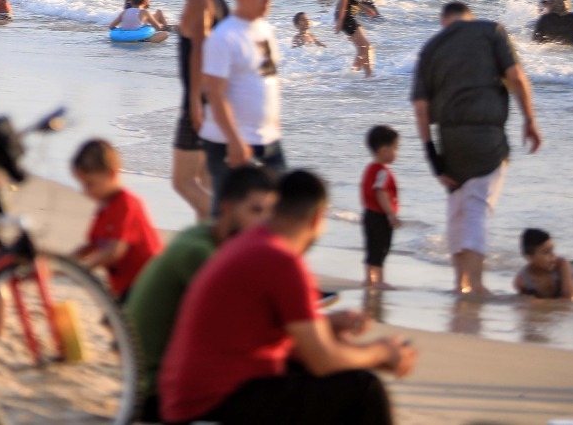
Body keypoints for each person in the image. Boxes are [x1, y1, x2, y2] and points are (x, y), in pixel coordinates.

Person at [157, 170, 415, 425]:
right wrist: (382, 352)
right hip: (214, 404)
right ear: (317, 219)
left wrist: (336, 331)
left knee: (327, 377)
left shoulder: (250, 243)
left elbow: (294, 345)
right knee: (364, 389)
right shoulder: (281, 260)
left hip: (186, 400)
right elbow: (322, 359)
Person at [125, 165, 277, 420]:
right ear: (227, 207)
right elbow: (242, 325)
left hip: (148, 379)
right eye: (255, 211)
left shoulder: (202, 234)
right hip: (155, 392)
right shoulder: (199, 254)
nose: (264, 225)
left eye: (269, 215)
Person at [413, 1, 541, 295]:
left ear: (444, 21)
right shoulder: (490, 31)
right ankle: (477, 284)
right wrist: (530, 121)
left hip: (449, 139)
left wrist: (433, 158)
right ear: (468, 17)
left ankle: (460, 282)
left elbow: (421, 108)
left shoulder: (431, 47)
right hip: (486, 135)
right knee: (478, 206)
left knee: (458, 207)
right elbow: (516, 77)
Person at [200, 0, 285, 198]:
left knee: (278, 206)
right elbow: (215, 94)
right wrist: (234, 140)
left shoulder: (266, 30)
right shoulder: (224, 37)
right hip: (230, 142)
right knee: (232, 212)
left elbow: (266, 80)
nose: (267, 0)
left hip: (268, 138)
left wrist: (273, 123)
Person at [73, 139, 161, 301]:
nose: (86, 192)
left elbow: (114, 251)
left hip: (148, 284)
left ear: (112, 174)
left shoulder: (126, 204)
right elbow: (92, 246)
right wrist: (64, 264)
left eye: (90, 184)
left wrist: (82, 269)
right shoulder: (105, 207)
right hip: (125, 285)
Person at [174, 0, 225, 221]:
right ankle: (210, 241)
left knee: (183, 181)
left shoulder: (198, 1)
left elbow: (200, 49)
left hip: (200, 99)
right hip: (219, 98)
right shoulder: (219, 3)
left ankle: (225, 226)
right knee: (206, 179)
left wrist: (194, 101)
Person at [514, 229, 573, 300]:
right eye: (546, 252)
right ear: (530, 257)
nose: (553, 255)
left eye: (552, 250)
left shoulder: (561, 264)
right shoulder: (523, 281)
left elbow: (570, 298)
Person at [360, 125, 401, 288]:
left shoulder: (370, 168)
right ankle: (379, 280)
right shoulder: (383, 171)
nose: (397, 152)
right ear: (384, 150)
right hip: (380, 216)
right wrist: (390, 214)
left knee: (371, 247)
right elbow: (380, 192)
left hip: (368, 214)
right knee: (381, 247)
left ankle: (369, 279)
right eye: (396, 148)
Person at [336, 0, 387, 77]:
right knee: (365, 46)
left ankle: (353, 76)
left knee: (362, 48)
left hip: (349, 15)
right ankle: (368, 77)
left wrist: (365, 8)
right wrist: (340, 21)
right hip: (345, 16)